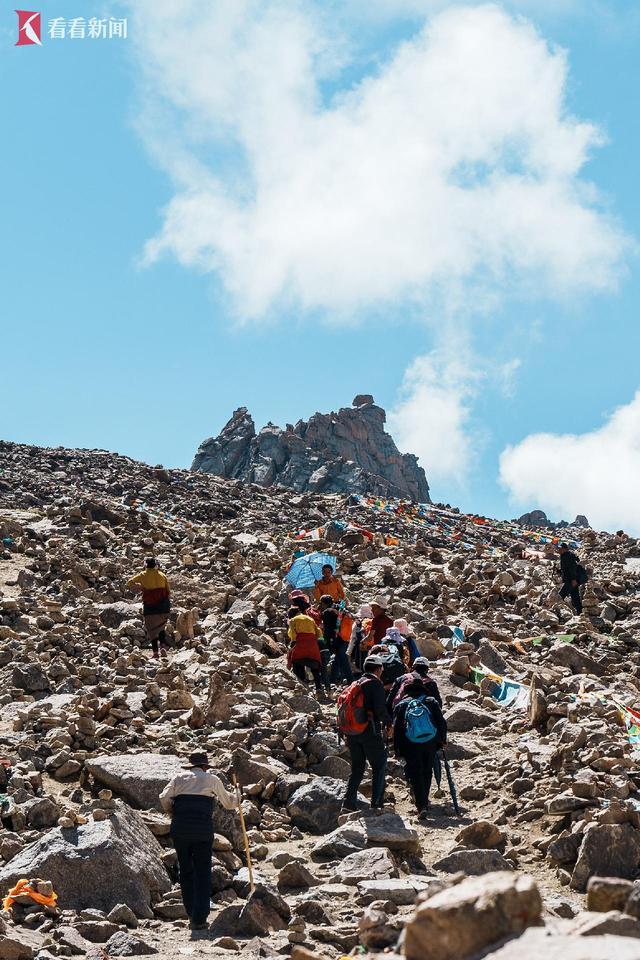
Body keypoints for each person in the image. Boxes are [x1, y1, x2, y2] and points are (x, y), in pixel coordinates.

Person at [160, 752, 237, 931]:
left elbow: (163, 798)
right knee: (203, 872)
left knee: (185, 870)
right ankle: (199, 918)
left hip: (180, 830)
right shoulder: (212, 780)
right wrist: (238, 795)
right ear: (205, 766)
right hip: (203, 831)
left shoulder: (178, 778)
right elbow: (228, 803)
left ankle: (190, 912)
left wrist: (172, 811)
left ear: (191, 766)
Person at [392, 677, 447, 821]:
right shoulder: (431, 701)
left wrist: (397, 749)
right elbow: (441, 722)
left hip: (410, 743)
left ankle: (421, 805)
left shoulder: (401, 705)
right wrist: (442, 740)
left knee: (415, 773)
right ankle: (425, 801)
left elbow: (397, 729)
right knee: (427, 771)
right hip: (430, 742)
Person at [343, 655, 390, 812]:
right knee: (379, 764)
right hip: (370, 731)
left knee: (357, 768)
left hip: (352, 732)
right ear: (377, 669)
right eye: (382, 668)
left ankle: (348, 804)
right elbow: (380, 710)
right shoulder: (375, 684)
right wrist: (390, 723)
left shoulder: (356, 683)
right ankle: (376, 803)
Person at [127, 557, 171, 658]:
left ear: (145, 565)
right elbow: (168, 591)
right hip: (163, 605)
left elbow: (129, 582)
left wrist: (141, 587)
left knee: (151, 629)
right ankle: (163, 646)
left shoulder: (143, 575)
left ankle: (155, 652)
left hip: (150, 605)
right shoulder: (162, 575)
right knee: (161, 626)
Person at [287, 606, 326, 697]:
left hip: (300, 644)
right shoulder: (310, 619)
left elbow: (292, 635)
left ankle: (302, 686)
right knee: (315, 666)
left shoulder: (293, 620)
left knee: (296, 662)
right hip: (312, 644)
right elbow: (319, 633)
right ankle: (318, 688)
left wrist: (293, 642)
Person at [320, 594, 353, 687]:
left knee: (343, 660)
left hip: (336, 639)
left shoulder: (327, 612)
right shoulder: (340, 608)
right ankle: (332, 680)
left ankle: (351, 681)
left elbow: (328, 629)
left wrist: (326, 642)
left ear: (324, 603)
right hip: (346, 637)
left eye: (321, 603)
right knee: (337, 659)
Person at [558, 543, 585, 615]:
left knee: (561, 595)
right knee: (575, 596)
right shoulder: (565, 555)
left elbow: (572, 568)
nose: (559, 550)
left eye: (561, 548)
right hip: (570, 579)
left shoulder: (568, 556)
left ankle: (554, 610)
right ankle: (579, 612)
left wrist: (573, 579)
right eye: (559, 548)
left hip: (570, 580)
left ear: (565, 549)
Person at [348, 604, 372, 674]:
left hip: (360, 646)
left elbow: (352, 637)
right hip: (371, 646)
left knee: (361, 663)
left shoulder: (358, 623)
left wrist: (349, 652)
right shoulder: (373, 622)